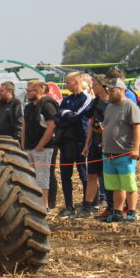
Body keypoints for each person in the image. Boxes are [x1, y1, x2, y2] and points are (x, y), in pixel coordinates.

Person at [100, 79, 140, 223]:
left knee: (129, 184)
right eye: (108, 90)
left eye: (112, 90)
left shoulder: (130, 106)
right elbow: (106, 127)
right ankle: (117, 211)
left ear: (121, 90)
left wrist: (136, 148)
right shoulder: (109, 106)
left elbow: (137, 127)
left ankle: (131, 212)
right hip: (109, 153)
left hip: (125, 152)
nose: (109, 93)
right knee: (115, 185)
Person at [55, 72, 92, 218]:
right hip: (66, 142)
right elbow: (57, 117)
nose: (66, 85)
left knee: (84, 174)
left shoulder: (86, 98)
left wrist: (66, 115)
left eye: (68, 82)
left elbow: (77, 118)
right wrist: (66, 115)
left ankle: (87, 204)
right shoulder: (67, 99)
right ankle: (69, 206)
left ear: (77, 82)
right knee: (65, 175)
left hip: (80, 141)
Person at [22, 80, 57, 207]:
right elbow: (24, 127)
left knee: (42, 178)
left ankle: (44, 205)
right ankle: (33, 203)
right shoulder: (28, 107)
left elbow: (51, 126)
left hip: (44, 149)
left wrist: (40, 145)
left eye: (29, 90)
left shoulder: (47, 105)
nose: (27, 93)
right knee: (30, 178)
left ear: (37, 91)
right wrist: (23, 146)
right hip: (29, 148)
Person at [81, 76, 111, 218]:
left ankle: (111, 206)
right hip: (95, 144)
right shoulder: (95, 102)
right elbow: (91, 125)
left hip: (110, 144)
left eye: (95, 84)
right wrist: (87, 144)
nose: (93, 86)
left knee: (109, 176)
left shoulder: (114, 102)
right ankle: (88, 206)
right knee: (92, 175)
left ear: (103, 85)